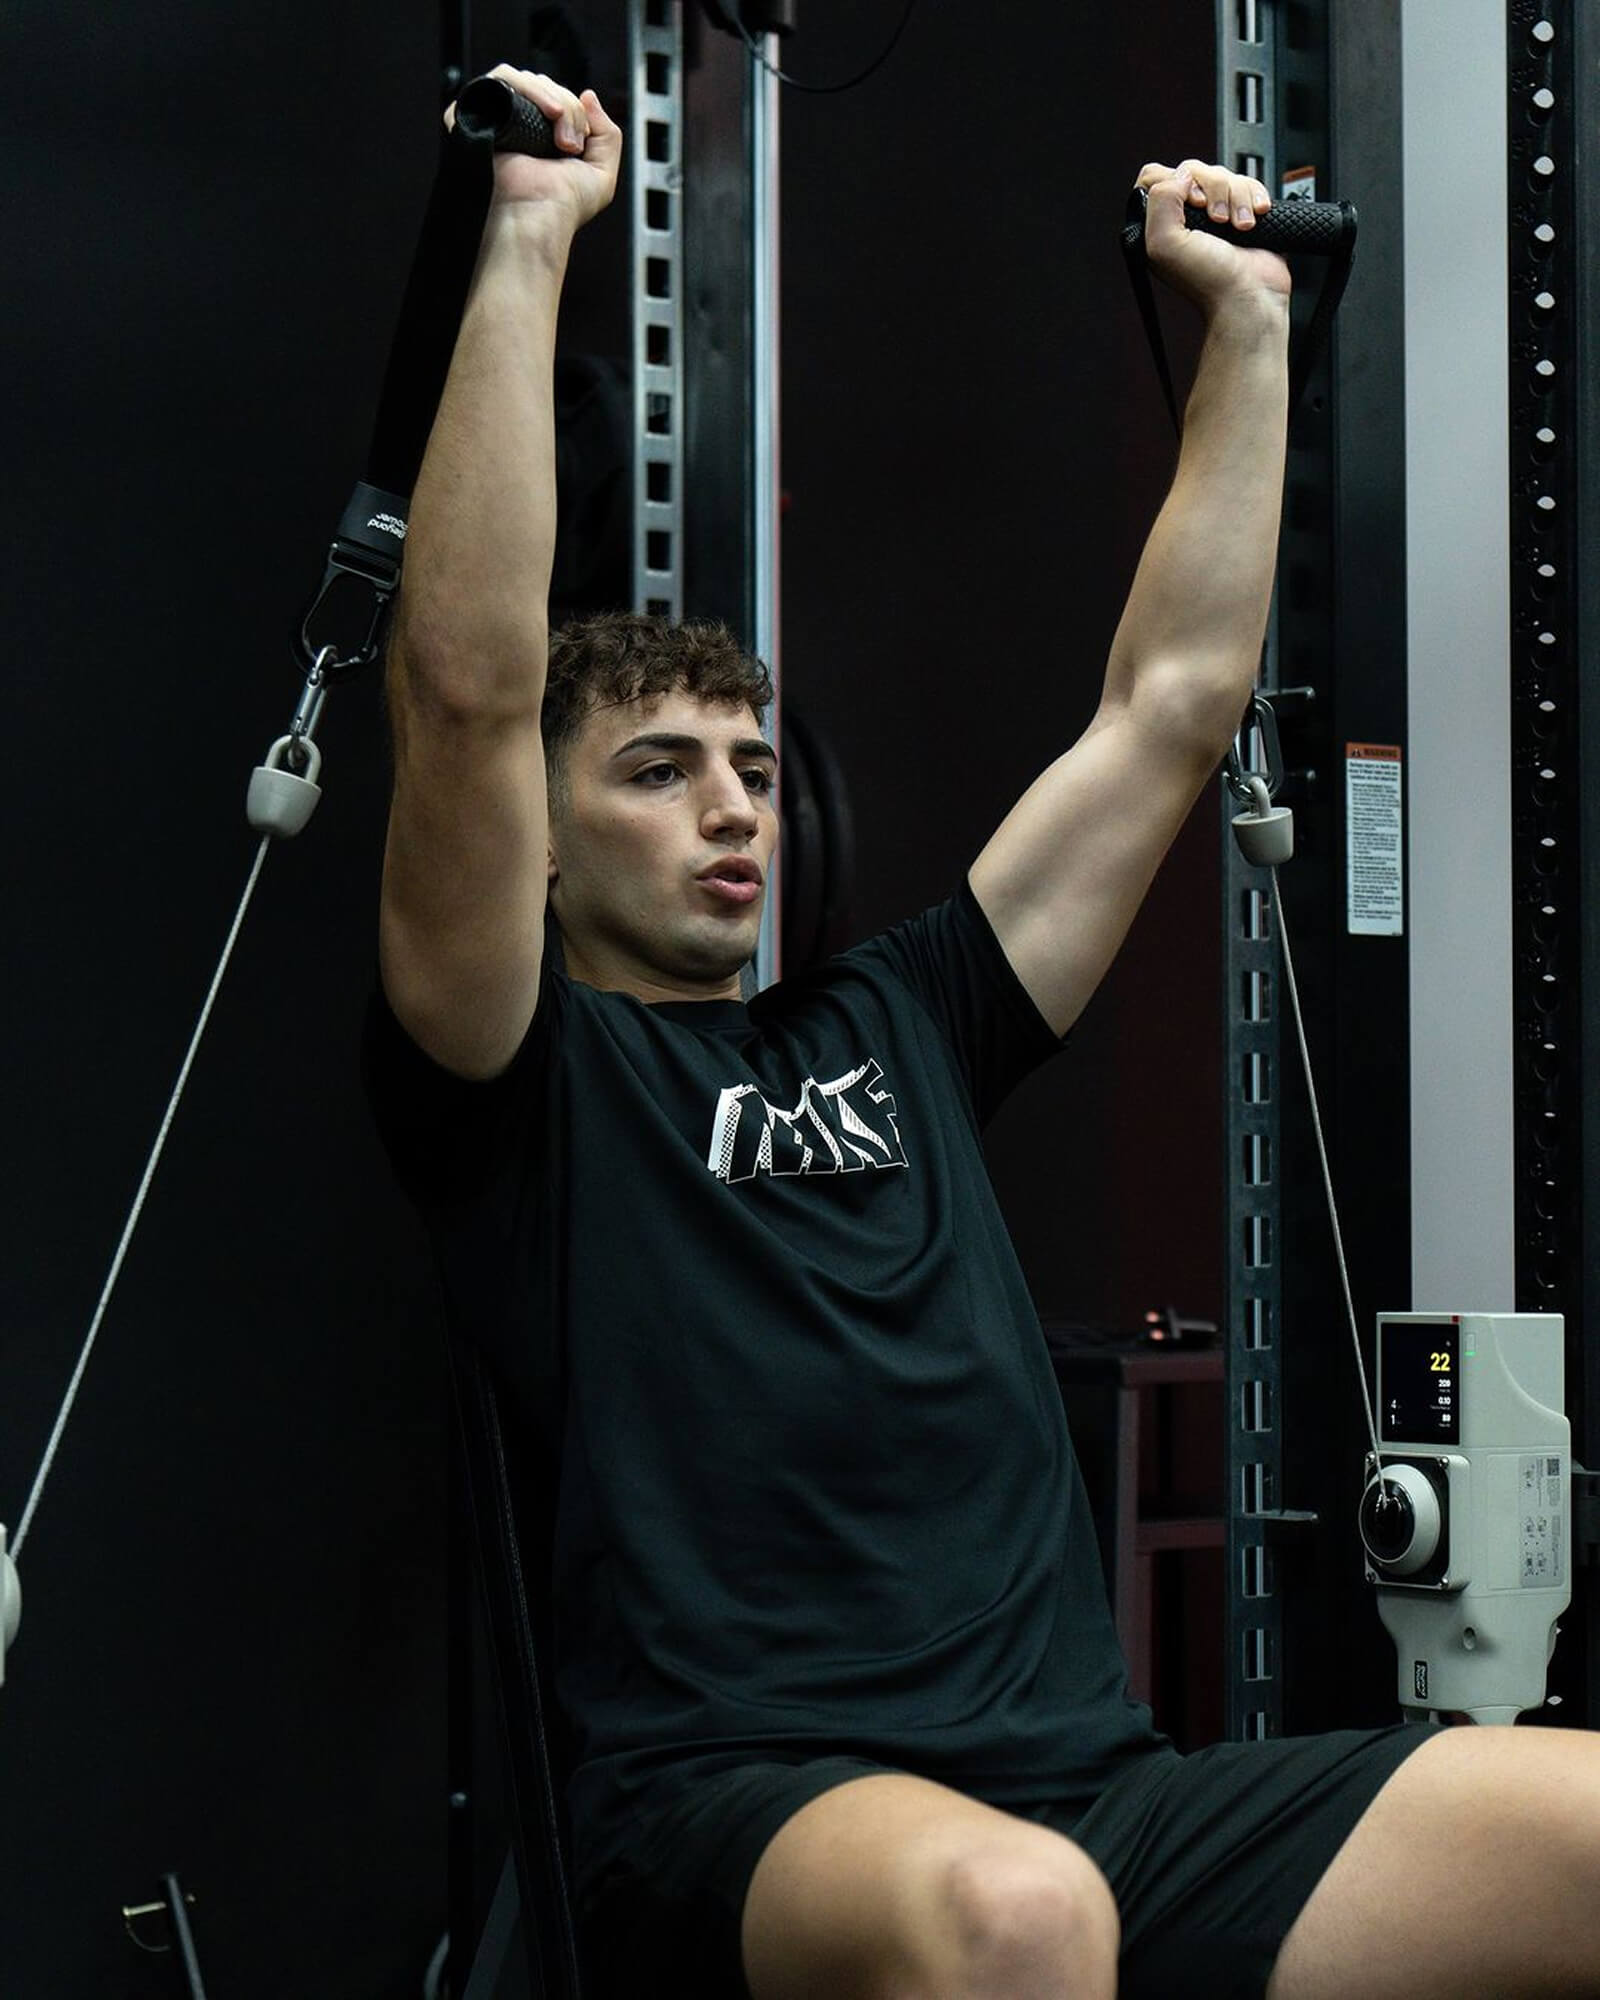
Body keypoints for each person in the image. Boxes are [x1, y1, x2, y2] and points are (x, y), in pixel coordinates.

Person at [366, 65, 1600, 2000]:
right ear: (535, 836)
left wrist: (1251, 327)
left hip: (1087, 1794)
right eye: (658, 771)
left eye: (752, 767)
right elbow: (462, 688)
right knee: (1021, 1918)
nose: (733, 810)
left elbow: (1170, 705)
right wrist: (529, 242)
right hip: (740, 1804)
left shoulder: (908, 1020)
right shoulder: (521, 1088)